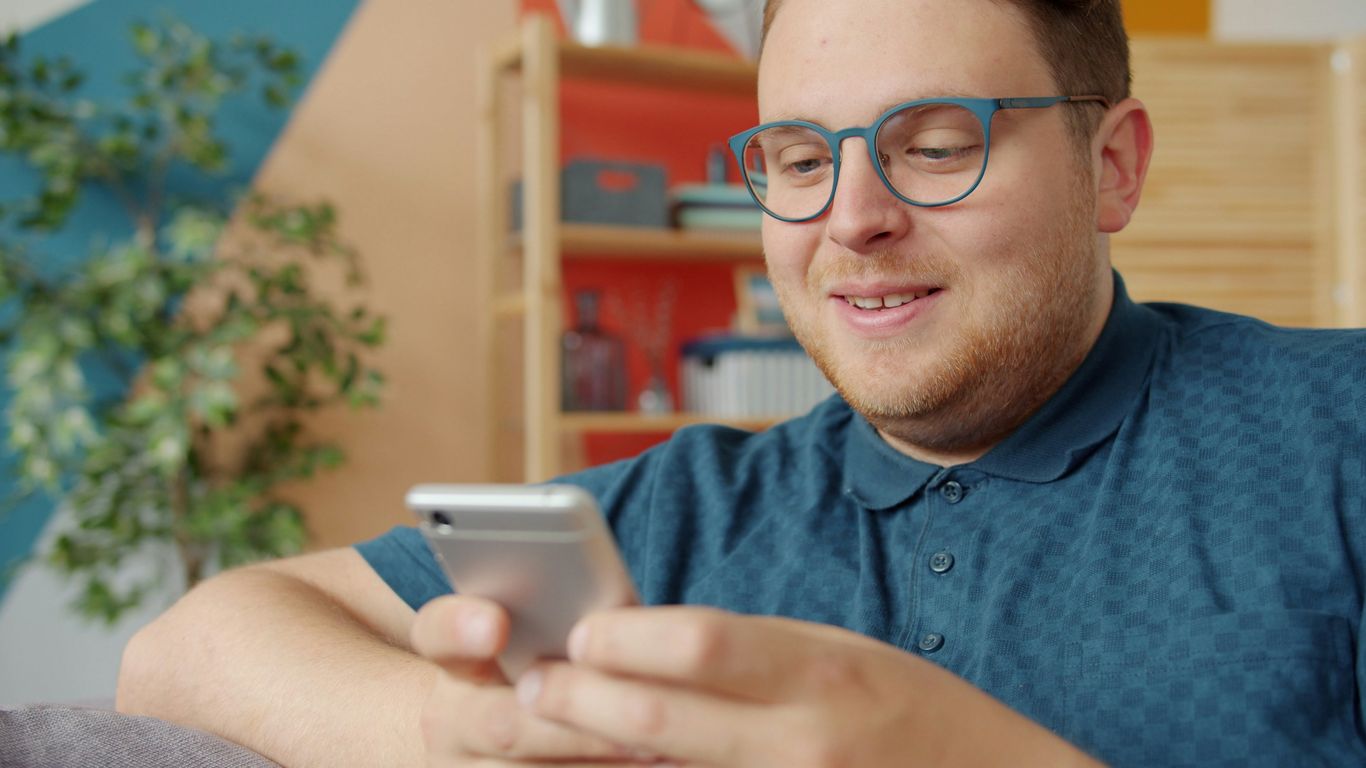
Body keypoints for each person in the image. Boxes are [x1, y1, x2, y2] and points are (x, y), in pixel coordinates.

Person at [116, 0, 1366, 765]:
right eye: (797, 157)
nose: (851, 218)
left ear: (1112, 169)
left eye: (934, 146)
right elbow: (186, 649)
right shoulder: (680, 514)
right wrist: (452, 741)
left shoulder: (1333, 436)